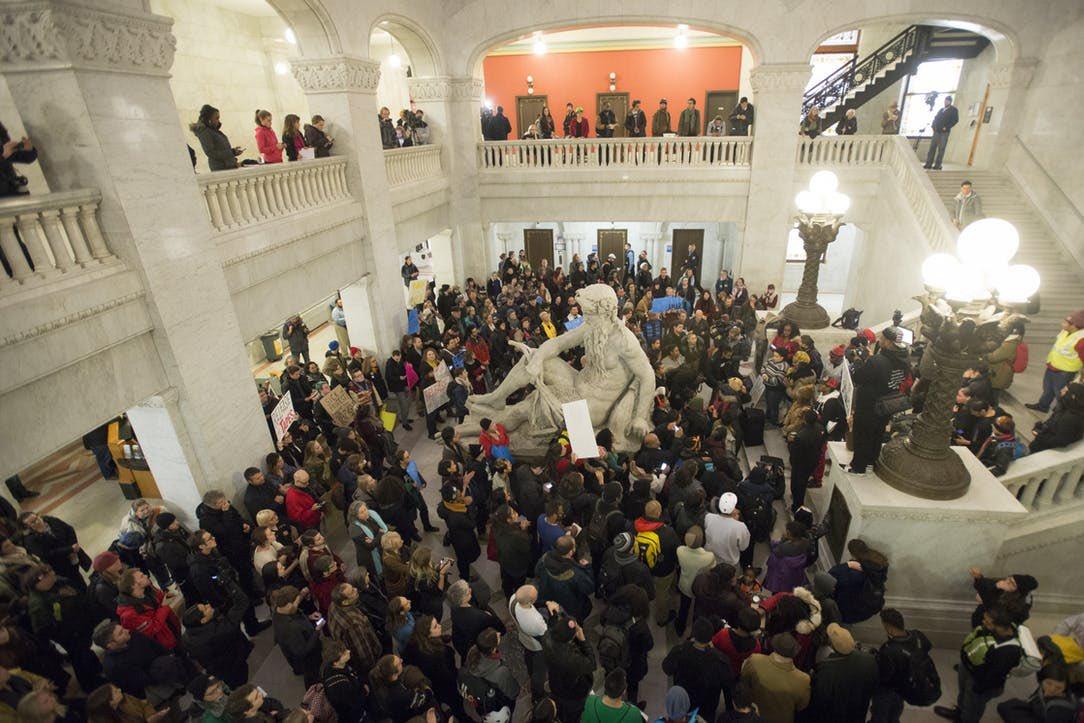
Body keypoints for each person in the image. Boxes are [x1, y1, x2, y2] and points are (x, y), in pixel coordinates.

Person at [934, 605, 1023, 722]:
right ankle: (960, 712)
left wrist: (978, 688)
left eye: (988, 622)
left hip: (980, 681)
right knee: (964, 696)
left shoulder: (1008, 650)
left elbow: (993, 675)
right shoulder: (997, 629)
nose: (983, 623)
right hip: (970, 668)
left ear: (1000, 627)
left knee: (973, 707)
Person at [25, 564, 103, 691]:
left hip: (79, 627)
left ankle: (96, 668)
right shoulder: (38, 605)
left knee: (85, 651)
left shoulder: (57, 584)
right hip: (70, 636)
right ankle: (90, 684)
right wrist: (68, 633)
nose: (53, 575)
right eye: (50, 575)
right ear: (41, 580)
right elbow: (43, 629)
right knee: (79, 658)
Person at [848, 328, 910, 474]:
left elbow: (859, 377)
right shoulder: (904, 360)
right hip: (887, 404)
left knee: (862, 435)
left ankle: (858, 467)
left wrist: (858, 361)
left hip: (869, 405)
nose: (879, 340)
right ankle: (871, 462)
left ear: (888, 342)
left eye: (882, 338)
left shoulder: (877, 361)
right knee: (877, 434)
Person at [93, 620, 187, 699]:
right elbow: (140, 682)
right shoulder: (114, 666)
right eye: (121, 633)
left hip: (161, 666)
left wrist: (168, 657)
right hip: (149, 687)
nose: (127, 630)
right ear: (111, 645)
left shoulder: (133, 636)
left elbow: (155, 645)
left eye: (123, 628)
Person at [871, 608, 936, 723]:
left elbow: (883, 676)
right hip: (905, 687)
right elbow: (927, 648)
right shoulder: (918, 635)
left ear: (889, 627)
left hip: (887, 691)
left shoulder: (888, 650)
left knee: (880, 715)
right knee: (895, 712)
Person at [662, 618, 733, 720]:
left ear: (694, 635)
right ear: (711, 637)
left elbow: (666, 668)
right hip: (707, 709)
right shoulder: (721, 661)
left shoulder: (679, 651)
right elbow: (727, 690)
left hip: (683, 705)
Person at [807, 623, 878, 722]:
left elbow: (819, 701)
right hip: (858, 713)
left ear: (832, 645)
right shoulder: (869, 660)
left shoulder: (826, 671)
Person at [740, 633, 810, 723]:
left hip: (753, 717)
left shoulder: (754, 660)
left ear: (774, 645)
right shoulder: (803, 680)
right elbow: (801, 706)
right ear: (795, 652)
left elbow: (744, 682)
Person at [182, 602, 253, 688]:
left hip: (217, 669)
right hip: (231, 664)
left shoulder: (189, 635)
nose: (208, 605)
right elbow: (241, 603)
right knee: (241, 682)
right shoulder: (216, 633)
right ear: (203, 620)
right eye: (205, 608)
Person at [542, 615, 596, 723]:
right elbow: (592, 664)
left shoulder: (546, 637)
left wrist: (553, 616)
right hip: (572, 695)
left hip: (555, 683)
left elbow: (551, 627)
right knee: (572, 714)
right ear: (571, 639)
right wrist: (583, 641)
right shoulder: (571, 659)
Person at [1027, 312, 1084, 413]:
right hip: (1052, 365)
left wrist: (1080, 378)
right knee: (1047, 389)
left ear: (1074, 326)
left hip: (1065, 372)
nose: (1062, 324)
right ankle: (1043, 406)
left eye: (1066, 322)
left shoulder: (1081, 340)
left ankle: (1059, 413)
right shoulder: (1065, 331)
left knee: (1061, 394)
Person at [271, 585, 323, 688]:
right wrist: (317, 631)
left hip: (301, 647)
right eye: (297, 602)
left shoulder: (278, 610)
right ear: (289, 604)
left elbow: (295, 616)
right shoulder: (289, 628)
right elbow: (302, 651)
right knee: (312, 676)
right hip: (308, 660)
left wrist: (308, 617)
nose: (298, 604)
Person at [829, 538, 889, 624]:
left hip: (850, 612)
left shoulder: (853, 574)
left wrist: (847, 565)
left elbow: (830, 575)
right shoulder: (878, 562)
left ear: (851, 553)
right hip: (868, 606)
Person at [996, 664, 1079, 723]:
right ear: (1041, 680)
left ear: (1065, 687)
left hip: (1041, 718)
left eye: (1058, 688)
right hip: (1037, 711)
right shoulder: (1043, 688)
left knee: (1007, 710)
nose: (1052, 689)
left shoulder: (1059, 712)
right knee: (1006, 706)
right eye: (1049, 683)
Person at [448, 579, 505, 661]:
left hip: (462, 641)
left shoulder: (454, 608)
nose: (471, 589)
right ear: (463, 599)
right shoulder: (480, 616)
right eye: (468, 591)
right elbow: (499, 627)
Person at [320, 640, 366, 723]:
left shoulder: (334, 667)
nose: (349, 651)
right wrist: (365, 692)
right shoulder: (339, 685)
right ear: (335, 662)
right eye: (344, 653)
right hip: (354, 716)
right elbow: (353, 703)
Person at [1030, 382, 1084, 452]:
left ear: (1072, 396)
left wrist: (1039, 436)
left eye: (1065, 390)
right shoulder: (1064, 406)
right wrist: (1041, 426)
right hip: (1042, 442)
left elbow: (1060, 441)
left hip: (1047, 451)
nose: (1061, 391)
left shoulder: (1071, 418)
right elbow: (1052, 421)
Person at [189, 104, 242, 170]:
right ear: (209, 119)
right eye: (216, 118)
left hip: (228, 166)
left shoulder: (214, 131)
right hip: (221, 168)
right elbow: (211, 153)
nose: (219, 121)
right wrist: (232, 152)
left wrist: (233, 155)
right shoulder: (205, 133)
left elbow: (222, 149)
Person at [704, 492, 750, 566]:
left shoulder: (708, 517)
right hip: (729, 563)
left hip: (710, 559)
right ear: (733, 509)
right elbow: (743, 547)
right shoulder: (740, 527)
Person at [924, 95, 959, 170]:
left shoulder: (953, 110)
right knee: (932, 147)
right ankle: (928, 164)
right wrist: (933, 126)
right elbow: (935, 118)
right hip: (936, 131)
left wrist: (946, 127)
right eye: (945, 100)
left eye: (947, 101)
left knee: (941, 148)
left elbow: (955, 120)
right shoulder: (941, 110)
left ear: (950, 102)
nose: (945, 102)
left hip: (944, 132)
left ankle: (938, 165)